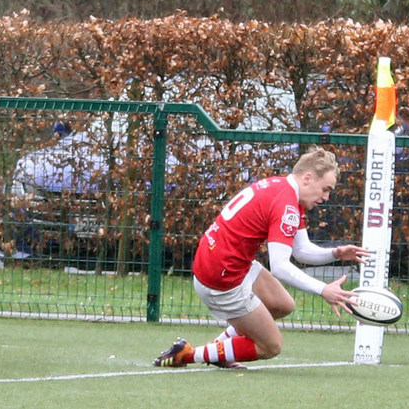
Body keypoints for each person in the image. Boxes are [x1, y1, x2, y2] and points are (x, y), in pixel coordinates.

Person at [153, 146, 368, 369]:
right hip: (222, 278)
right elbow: (280, 267)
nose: (326, 197)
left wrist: (335, 253)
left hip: (224, 263)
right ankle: (186, 354)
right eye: (325, 189)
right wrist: (324, 290)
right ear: (307, 178)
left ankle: (218, 348)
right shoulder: (286, 204)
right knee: (271, 346)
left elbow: (301, 250)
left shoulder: (283, 189)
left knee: (282, 304)